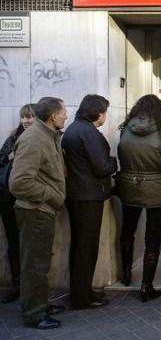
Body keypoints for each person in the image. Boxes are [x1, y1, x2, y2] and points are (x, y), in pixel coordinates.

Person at [9, 97, 68, 329]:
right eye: (63, 112)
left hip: (42, 211)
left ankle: (39, 304)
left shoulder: (48, 135)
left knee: (40, 263)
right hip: (35, 211)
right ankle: (34, 314)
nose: (66, 115)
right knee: (34, 265)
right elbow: (20, 183)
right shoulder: (34, 139)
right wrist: (52, 196)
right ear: (53, 116)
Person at [62, 95, 117, 310]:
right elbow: (102, 167)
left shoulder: (73, 129)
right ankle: (82, 297)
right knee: (87, 247)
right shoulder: (89, 133)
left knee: (79, 247)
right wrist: (113, 161)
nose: (105, 116)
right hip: (88, 197)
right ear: (97, 112)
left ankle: (81, 290)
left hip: (76, 195)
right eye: (104, 111)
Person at [117, 94, 161, 302]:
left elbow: (121, 156)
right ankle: (146, 286)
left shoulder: (125, 129)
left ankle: (126, 275)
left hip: (129, 185)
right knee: (152, 237)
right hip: (156, 186)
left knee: (127, 231)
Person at [0, 103, 36, 304]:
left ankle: (31, 287)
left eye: (29, 117)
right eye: (23, 117)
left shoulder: (42, 137)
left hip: (28, 197)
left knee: (31, 244)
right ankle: (17, 284)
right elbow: (1, 159)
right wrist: (10, 155)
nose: (25, 121)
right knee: (13, 243)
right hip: (7, 197)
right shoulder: (13, 137)